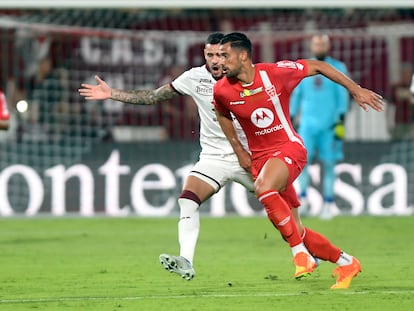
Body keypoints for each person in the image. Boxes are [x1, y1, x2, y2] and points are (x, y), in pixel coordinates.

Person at [79, 33, 255, 281]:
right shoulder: (194, 77)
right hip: (214, 157)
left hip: (249, 154)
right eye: (210, 55)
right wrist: (112, 94)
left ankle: (304, 251)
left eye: (221, 54)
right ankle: (186, 260)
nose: (216, 60)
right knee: (188, 199)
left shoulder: (249, 76)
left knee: (281, 203)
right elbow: (153, 96)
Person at [213, 32, 384, 289]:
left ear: (243, 55)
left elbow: (319, 66)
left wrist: (355, 89)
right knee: (295, 229)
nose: (219, 61)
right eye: (217, 56)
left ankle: (300, 255)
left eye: (225, 55)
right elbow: (222, 113)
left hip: (289, 148)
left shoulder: (275, 73)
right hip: (261, 161)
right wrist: (239, 150)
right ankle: (346, 262)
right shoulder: (222, 90)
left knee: (264, 190)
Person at [290, 34, 350, 219]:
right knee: (301, 164)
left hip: (329, 126)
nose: (319, 46)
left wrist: (340, 118)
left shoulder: (338, 68)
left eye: (322, 43)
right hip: (307, 125)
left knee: (329, 164)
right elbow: (296, 94)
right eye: (316, 44)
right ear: (312, 46)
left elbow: (343, 94)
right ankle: (304, 200)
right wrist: (291, 115)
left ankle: (328, 204)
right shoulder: (304, 67)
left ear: (328, 45)